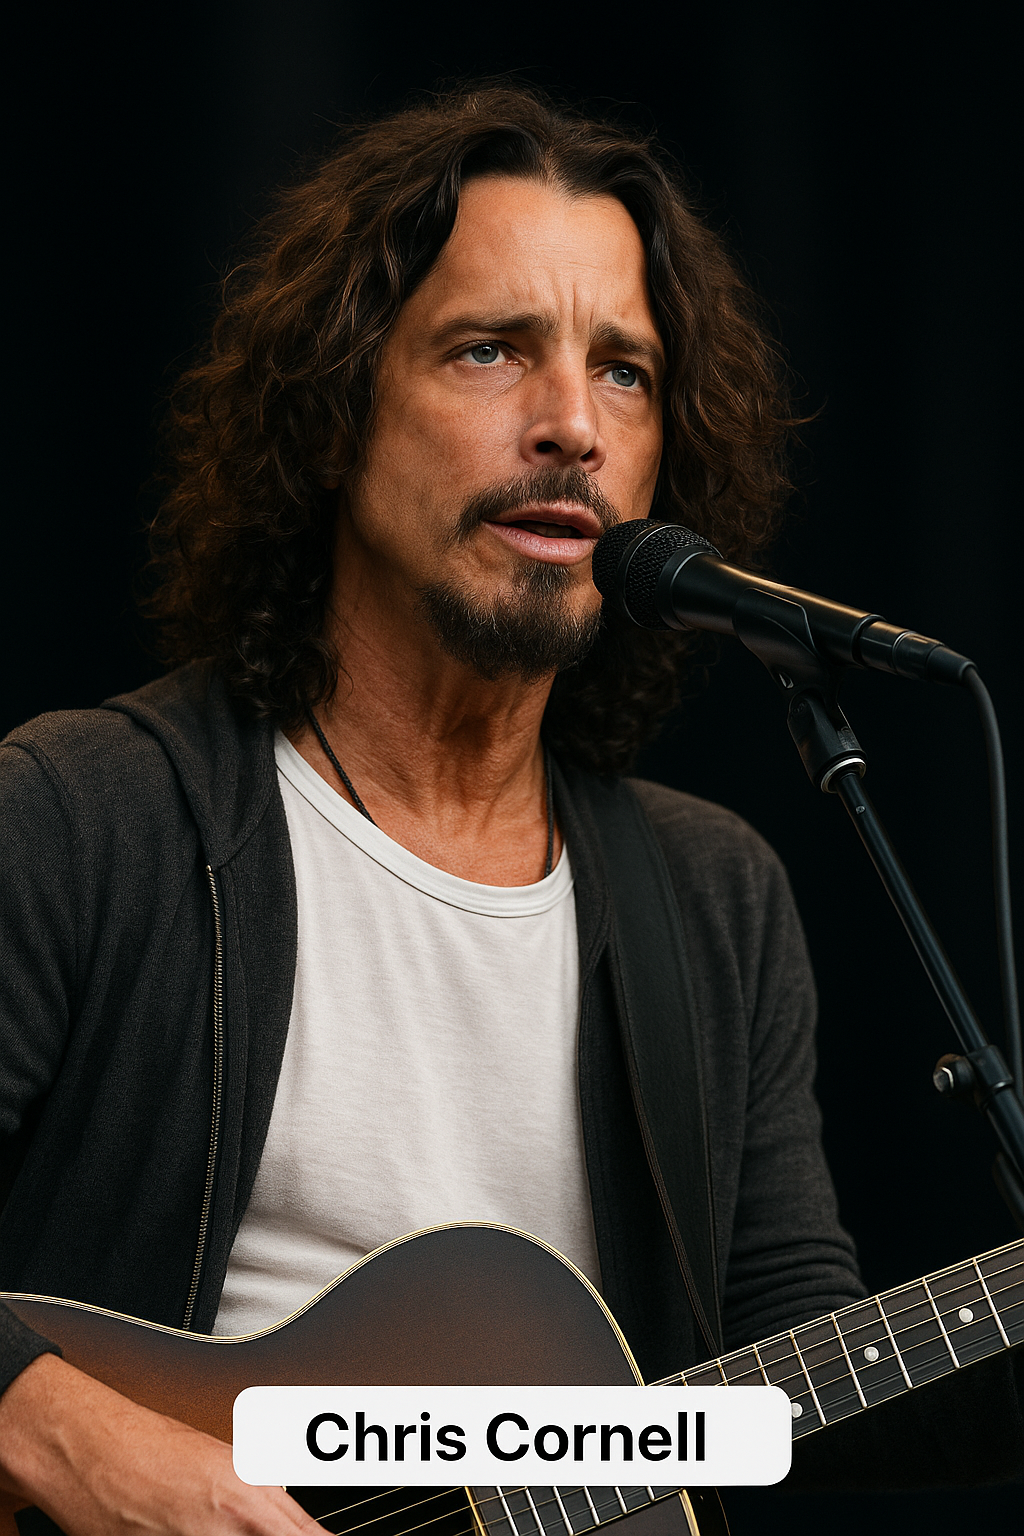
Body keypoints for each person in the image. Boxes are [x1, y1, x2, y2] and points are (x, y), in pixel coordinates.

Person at [0, 85, 1020, 1535]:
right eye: (492, 351)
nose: (570, 429)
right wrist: (75, 1444)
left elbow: (782, 1389)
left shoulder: (713, 897)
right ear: (337, 410)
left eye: (625, 373)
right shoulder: (82, 820)